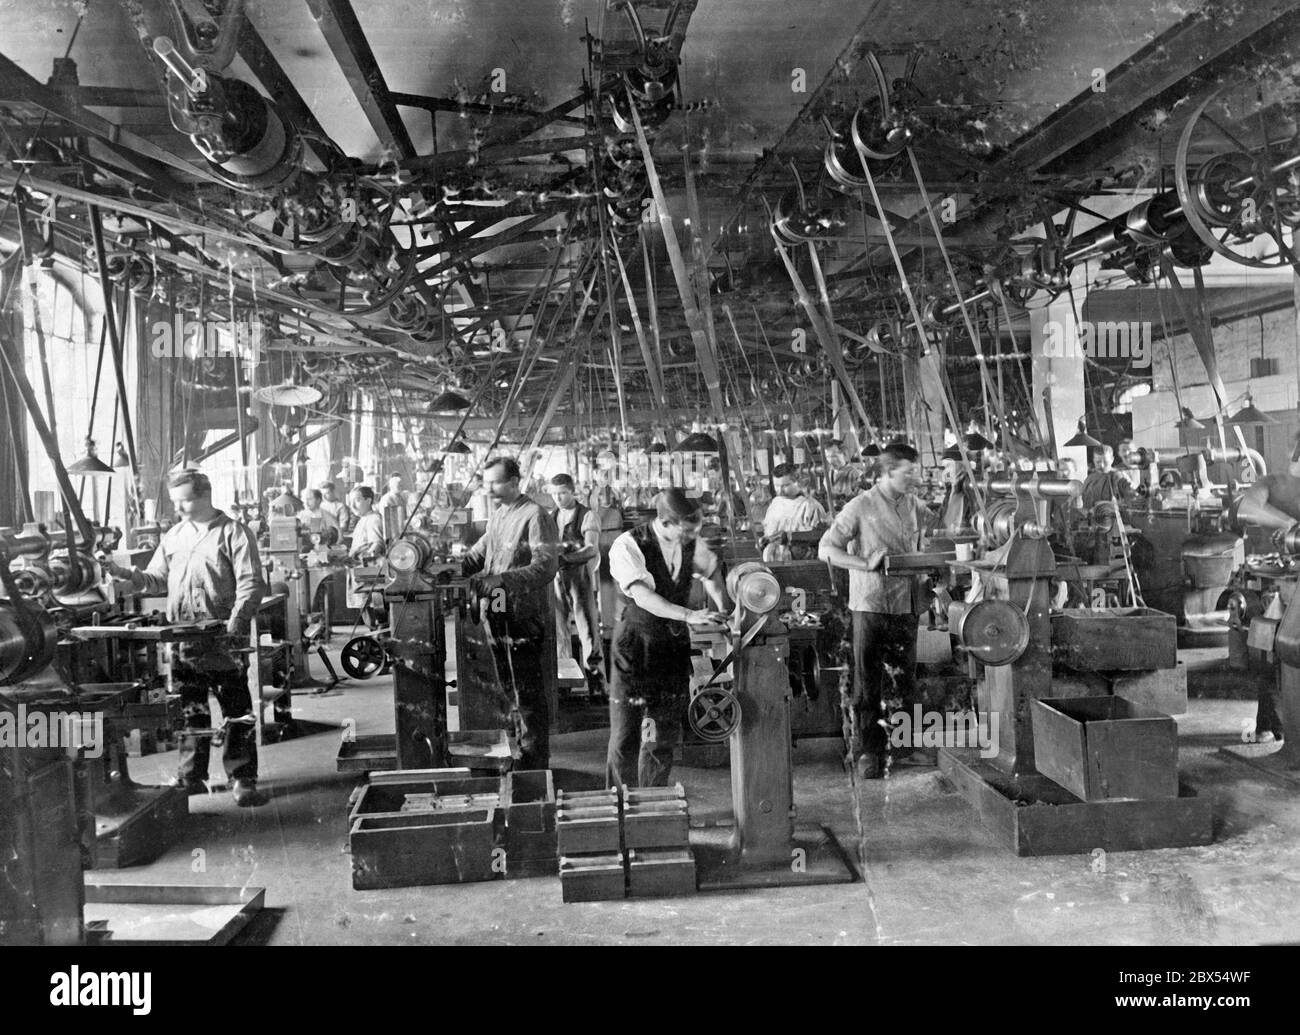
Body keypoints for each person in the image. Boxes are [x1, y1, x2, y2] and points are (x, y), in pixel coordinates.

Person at [106, 470, 268, 805]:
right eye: (176, 500)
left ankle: (242, 778)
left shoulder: (233, 533)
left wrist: (235, 625)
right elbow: (155, 579)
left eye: (186, 500)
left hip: (222, 637)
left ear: (206, 494)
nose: (178, 507)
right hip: (182, 638)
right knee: (190, 709)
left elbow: (251, 583)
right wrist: (123, 574)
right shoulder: (175, 535)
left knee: (235, 709)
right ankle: (192, 777)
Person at [819, 443, 929, 778]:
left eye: (915, 470)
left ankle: (906, 748)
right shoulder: (860, 506)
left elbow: (921, 549)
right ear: (886, 471)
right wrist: (864, 563)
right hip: (871, 605)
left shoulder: (916, 507)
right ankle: (869, 751)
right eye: (907, 472)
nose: (914, 477)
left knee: (906, 680)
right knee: (869, 683)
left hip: (907, 604)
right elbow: (827, 548)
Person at [606, 488, 727, 788]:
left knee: (662, 734)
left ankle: (653, 803)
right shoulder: (628, 545)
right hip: (636, 644)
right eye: (686, 531)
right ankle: (620, 808)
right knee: (626, 734)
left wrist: (726, 610)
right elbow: (643, 596)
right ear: (664, 520)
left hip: (671, 647)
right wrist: (688, 615)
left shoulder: (689, 542)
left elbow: (711, 572)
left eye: (694, 531)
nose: (690, 537)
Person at [461, 457, 560, 770]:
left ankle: (535, 759)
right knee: (508, 682)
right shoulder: (500, 514)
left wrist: (501, 579)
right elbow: (481, 551)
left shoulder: (535, 515)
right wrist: (451, 568)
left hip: (523, 614)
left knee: (526, 687)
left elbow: (546, 566)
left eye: (496, 482)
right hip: (499, 609)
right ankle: (522, 747)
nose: (489, 489)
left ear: (516, 482)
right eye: (486, 482)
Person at [550, 473, 605, 697]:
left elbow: (591, 549)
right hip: (554, 578)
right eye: (554, 494)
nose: (558, 498)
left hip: (578, 577)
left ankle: (597, 686)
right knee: (558, 631)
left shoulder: (587, 515)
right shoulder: (550, 516)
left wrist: (566, 558)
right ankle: (564, 687)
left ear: (573, 491)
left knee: (588, 631)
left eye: (562, 493)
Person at [1082, 445, 1136, 511]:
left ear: (1112, 460)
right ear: (1093, 460)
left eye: (1105, 462)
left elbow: (1133, 498)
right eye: (1098, 462)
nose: (1102, 465)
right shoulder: (1089, 479)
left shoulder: (1119, 476)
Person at [348, 486, 386, 560]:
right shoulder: (364, 518)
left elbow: (377, 544)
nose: (352, 506)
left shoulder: (374, 519)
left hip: (366, 567)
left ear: (368, 501)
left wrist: (366, 558)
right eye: (350, 502)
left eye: (357, 501)